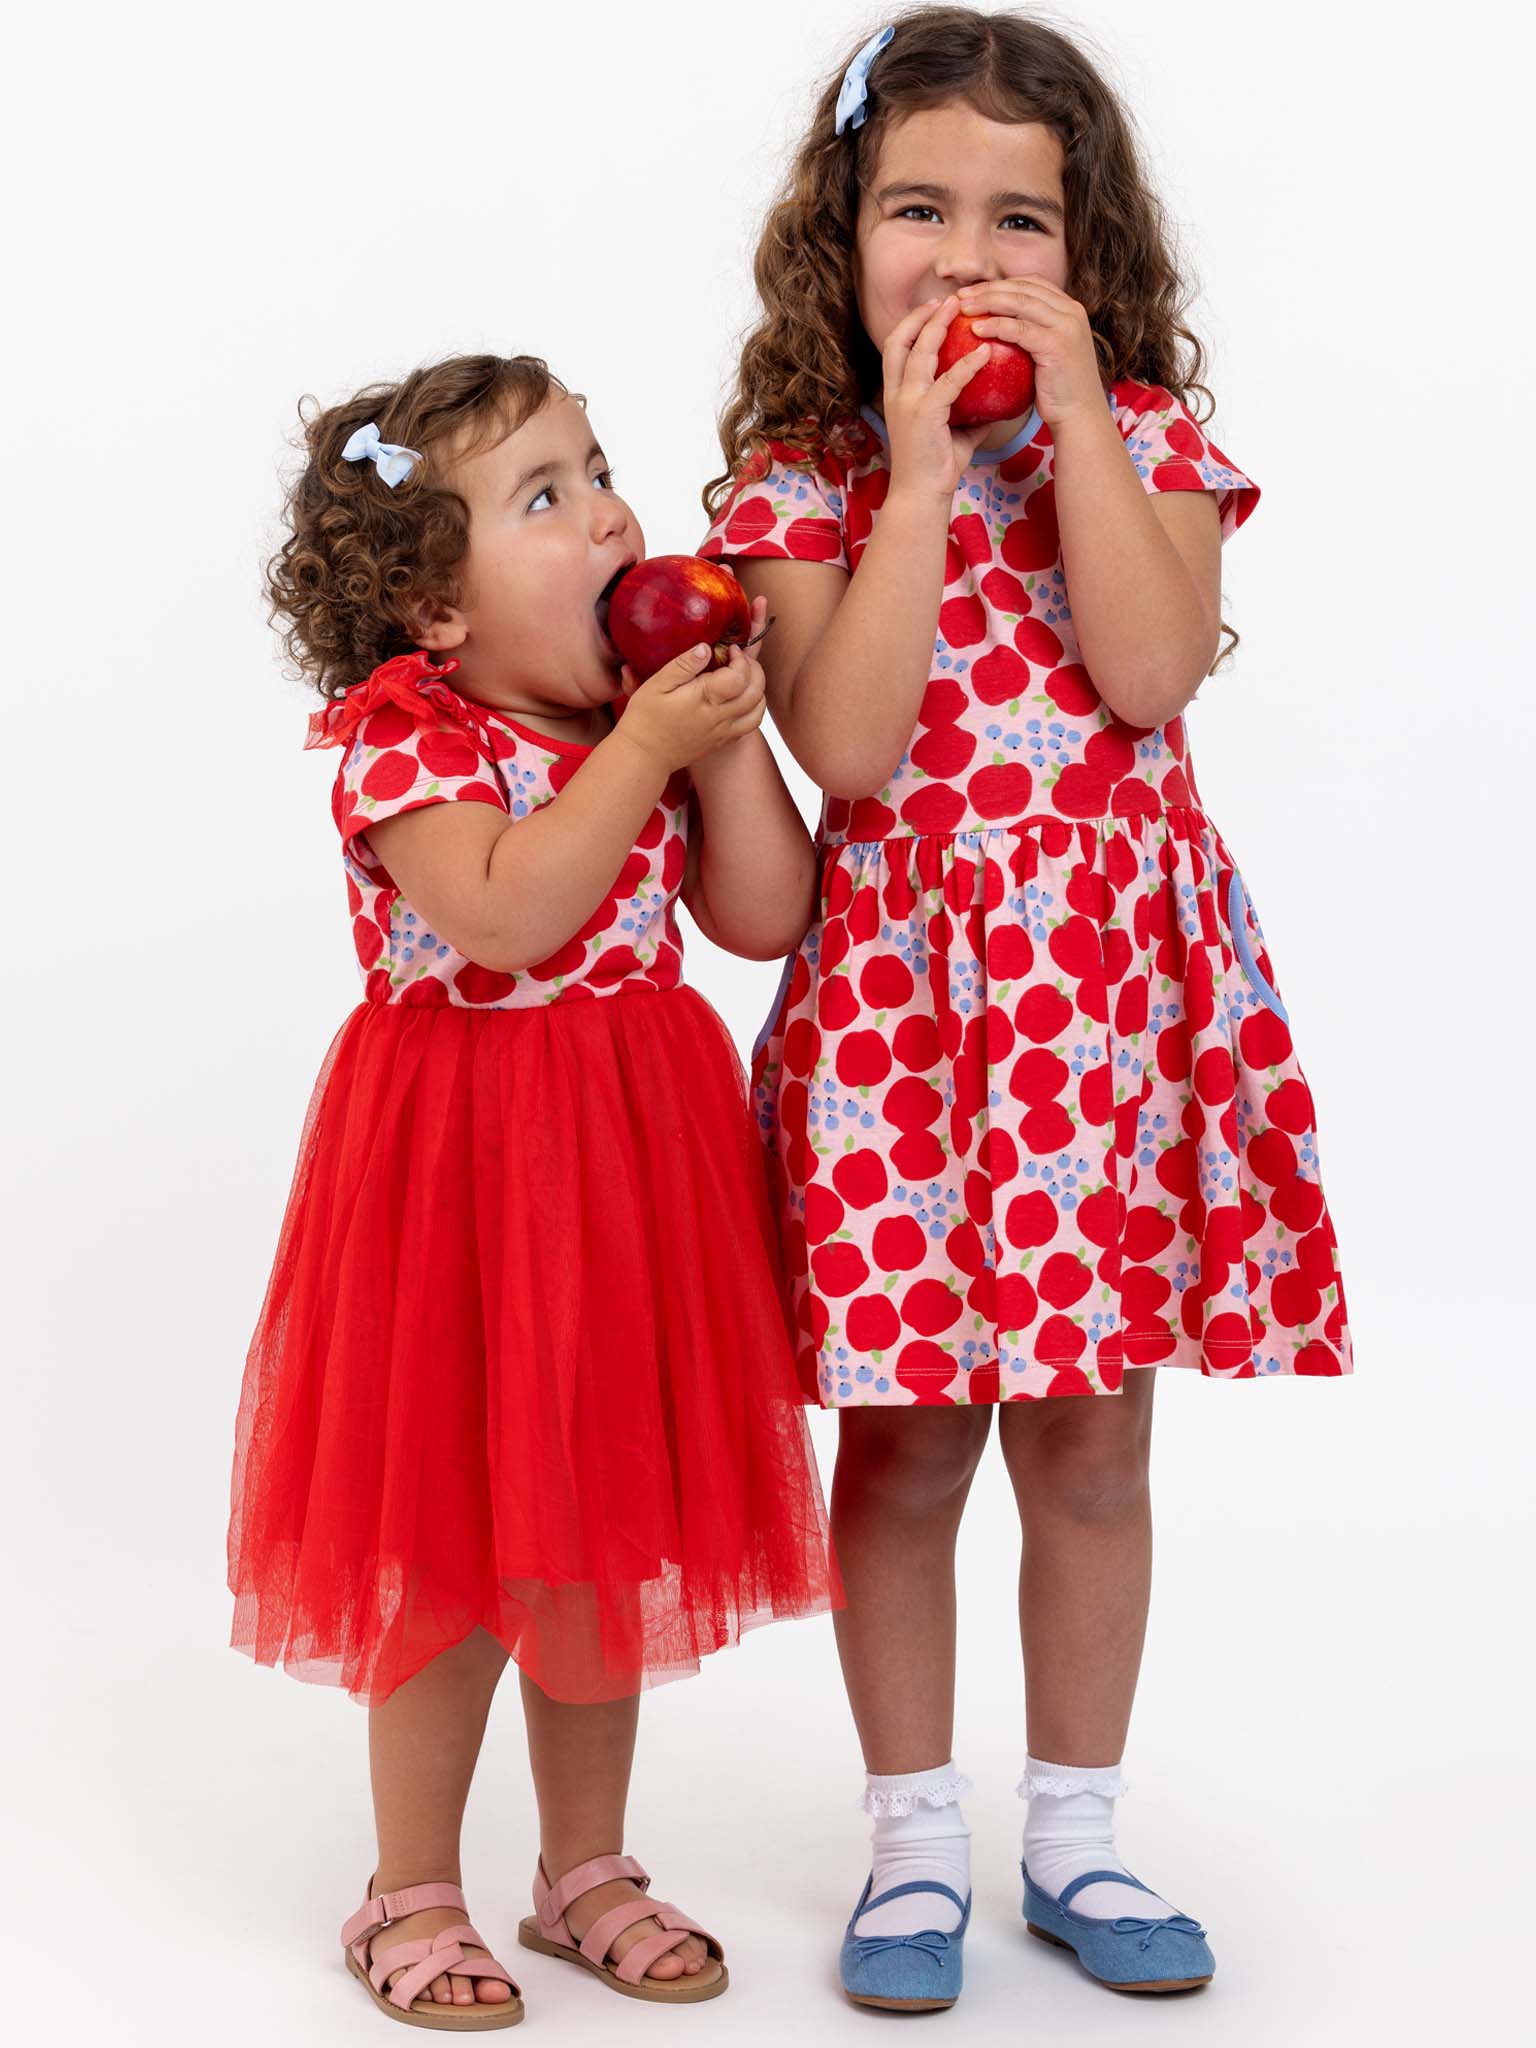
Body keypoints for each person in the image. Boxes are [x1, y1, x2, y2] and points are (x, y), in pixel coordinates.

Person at [699, 6, 1350, 2006]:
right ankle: (913, 1852)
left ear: (1094, 262)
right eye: (917, 207)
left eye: (1020, 220)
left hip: (1109, 1017)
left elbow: (1148, 676)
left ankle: (1077, 1837)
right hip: (908, 1022)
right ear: (843, 233)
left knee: (1088, 1446)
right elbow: (854, 745)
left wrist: (1072, 429)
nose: (968, 256)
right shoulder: (802, 486)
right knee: (903, 1453)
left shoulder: (1146, 443)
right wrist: (912, 481)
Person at [228, 352, 838, 2025]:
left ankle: (586, 1869)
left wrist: (720, 736)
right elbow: (508, 913)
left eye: (598, 470)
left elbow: (768, 916)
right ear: (432, 604)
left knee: (597, 1537)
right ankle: (407, 1889)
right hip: (458, 1178)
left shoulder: (632, 719)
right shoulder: (405, 740)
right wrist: (646, 742)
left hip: (633, 1167)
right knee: (438, 1541)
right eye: (544, 498)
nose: (610, 516)